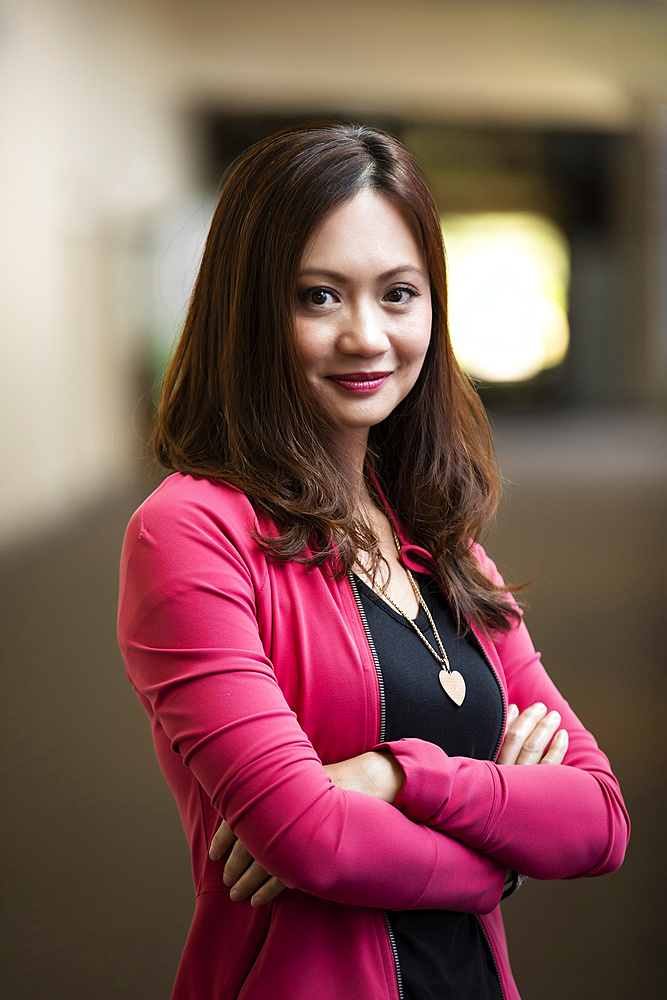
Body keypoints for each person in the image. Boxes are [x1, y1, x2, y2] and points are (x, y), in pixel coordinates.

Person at [117, 122, 629, 1000]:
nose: (366, 336)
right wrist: (496, 851)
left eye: (398, 294)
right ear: (249, 310)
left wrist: (390, 776)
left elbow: (599, 822)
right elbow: (307, 835)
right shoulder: (190, 531)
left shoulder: (444, 542)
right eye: (319, 297)